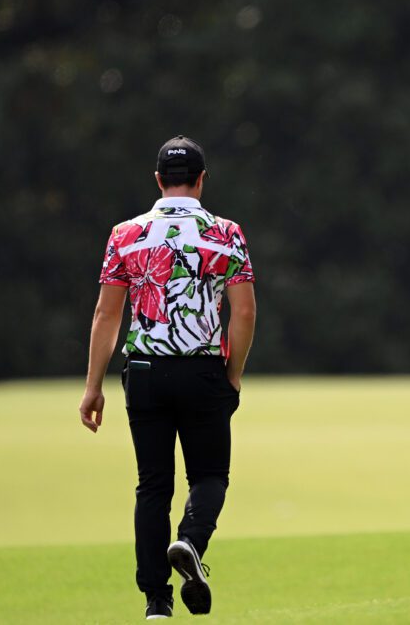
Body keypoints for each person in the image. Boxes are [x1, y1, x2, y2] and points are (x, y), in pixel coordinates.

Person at [78, 135, 256, 618]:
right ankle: (190, 543)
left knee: (153, 486)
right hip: (202, 370)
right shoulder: (226, 233)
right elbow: (242, 313)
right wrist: (233, 374)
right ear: (201, 180)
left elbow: (106, 316)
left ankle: (156, 601)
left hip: (145, 372)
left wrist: (93, 386)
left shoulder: (125, 235)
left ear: (158, 181)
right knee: (211, 476)